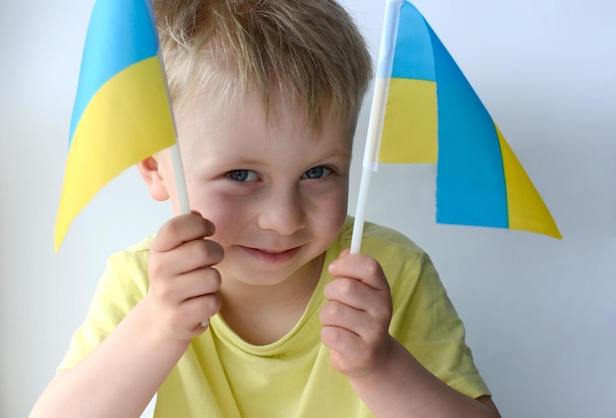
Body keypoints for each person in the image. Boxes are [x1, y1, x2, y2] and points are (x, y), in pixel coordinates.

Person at [31, 0, 501, 417]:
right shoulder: (141, 282)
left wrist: (379, 365)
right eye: (240, 176)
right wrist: (156, 328)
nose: (284, 220)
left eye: (318, 172)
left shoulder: (391, 272)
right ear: (157, 167)